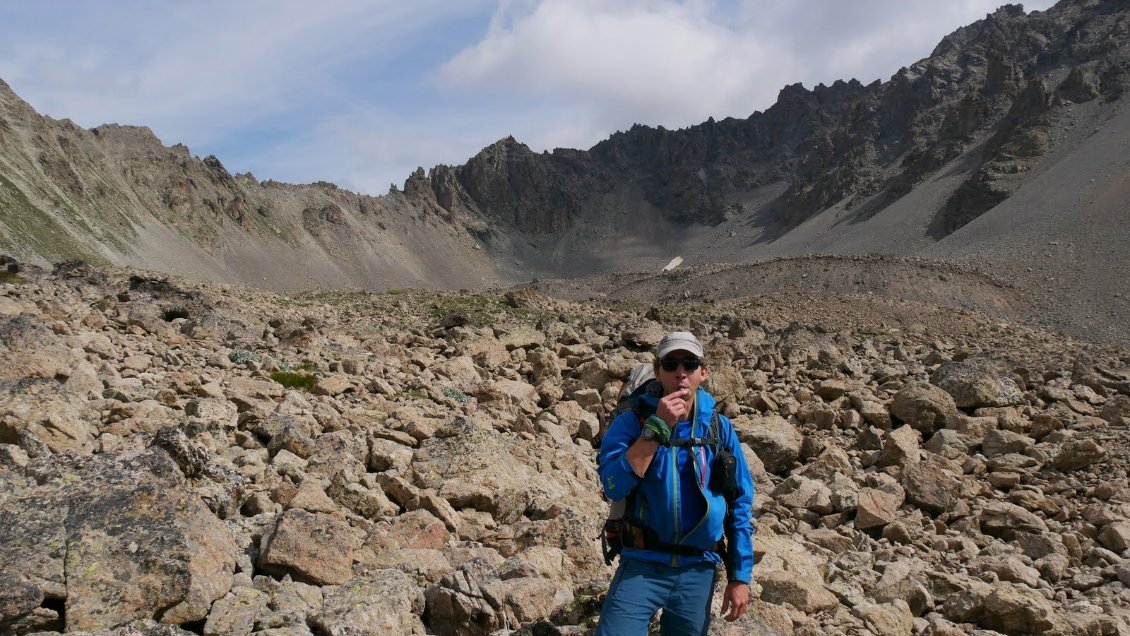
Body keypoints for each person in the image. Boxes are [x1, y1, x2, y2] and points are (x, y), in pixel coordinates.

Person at [596, 332, 755, 634]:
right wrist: (656, 428)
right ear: (658, 372)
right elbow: (614, 486)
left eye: (690, 363)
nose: (680, 372)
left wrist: (739, 576)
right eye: (670, 364)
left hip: (699, 567)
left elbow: (740, 504)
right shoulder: (632, 422)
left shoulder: (718, 428)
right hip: (642, 562)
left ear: (703, 372)